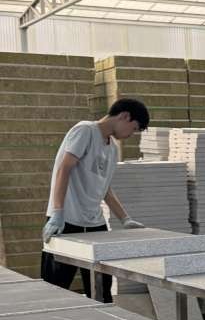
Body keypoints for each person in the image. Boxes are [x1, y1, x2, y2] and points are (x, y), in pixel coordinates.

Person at [41, 97, 151, 302]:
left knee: (101, 290)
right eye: (134, 128)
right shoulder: (85, 131)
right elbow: (64, 169)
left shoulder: (112, 149)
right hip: (66, 221)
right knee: (55, 288)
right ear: (124, 116)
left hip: (95, 224)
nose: (131, 135)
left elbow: (104, 188)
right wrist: (57, 213)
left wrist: (125, 218)